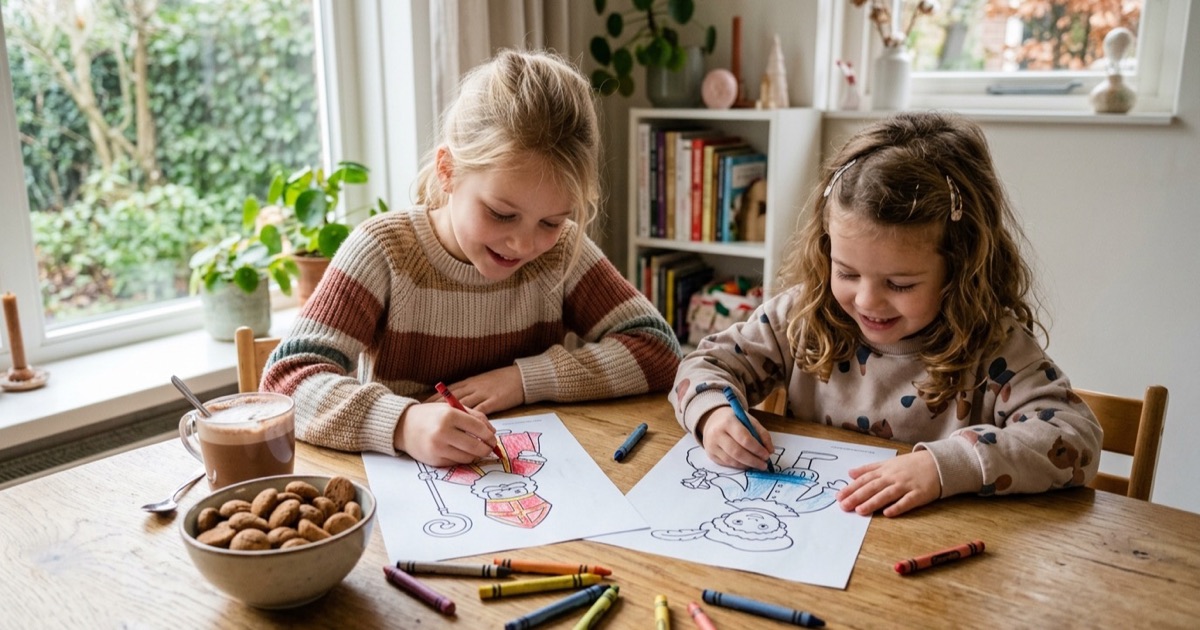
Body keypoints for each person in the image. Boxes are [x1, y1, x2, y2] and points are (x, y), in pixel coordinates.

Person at [670, 111, 1101, 517]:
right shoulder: (803, 315)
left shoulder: (994, 347)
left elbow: (1075, 438)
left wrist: (944, 467)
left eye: (900, 284)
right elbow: (703, 363)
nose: (867, 301)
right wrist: (713, 415)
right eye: (847, 272)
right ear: (826, 251)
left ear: (961, 268)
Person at [262, 49, 681, 466]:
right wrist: (403, 423)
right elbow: (286, 381)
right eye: (501, 214)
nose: (522, 244)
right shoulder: (384, 251)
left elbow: (658, 349)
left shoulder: (562, 254)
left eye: (551, 222)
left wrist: (522, 380)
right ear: (448, 171)